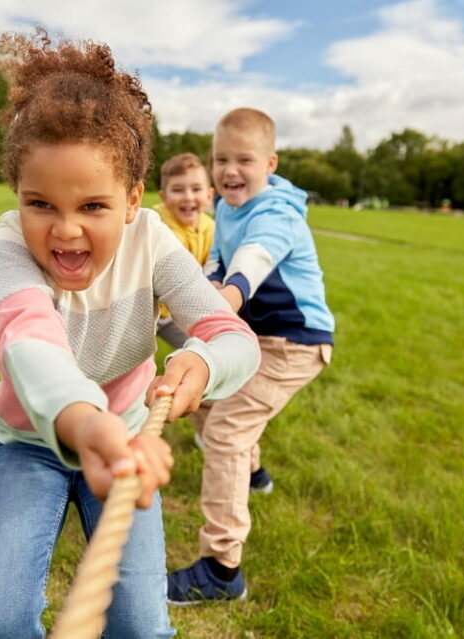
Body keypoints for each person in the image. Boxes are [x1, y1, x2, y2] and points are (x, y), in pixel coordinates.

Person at [0, 31, 260, 638]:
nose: (65, 231)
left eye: (92, 206)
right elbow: (32, 346)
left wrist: (200, 364)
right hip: (28, 445)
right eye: (39, 203)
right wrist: (85, 421)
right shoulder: (5, 252)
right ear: (15, 196)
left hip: (124, 439)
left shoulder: (153, 241)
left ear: (131, 200)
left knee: (139, 627)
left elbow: (233, 336)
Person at [166, 107, 334, 605]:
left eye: (244, 159)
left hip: (293, 342)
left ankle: (221, 569)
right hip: (259, 336)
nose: (230, 170)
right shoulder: (230, 211)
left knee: (225, 431)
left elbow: (254, 258)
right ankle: (253, 474)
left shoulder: (277, 212)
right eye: (221, 159)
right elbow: (219, 259)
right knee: (210, 399)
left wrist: (228, 298)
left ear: (271, 164)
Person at [153, 152, 216, 349]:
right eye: (178, 190)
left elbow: (212, 267)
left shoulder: (210, 228)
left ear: (209, 195)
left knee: (202, 350)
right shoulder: (157, 224)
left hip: (175, 313)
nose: (188, 197)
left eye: (196, 189)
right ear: (164, 197)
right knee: (129, 366)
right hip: (143, 313)